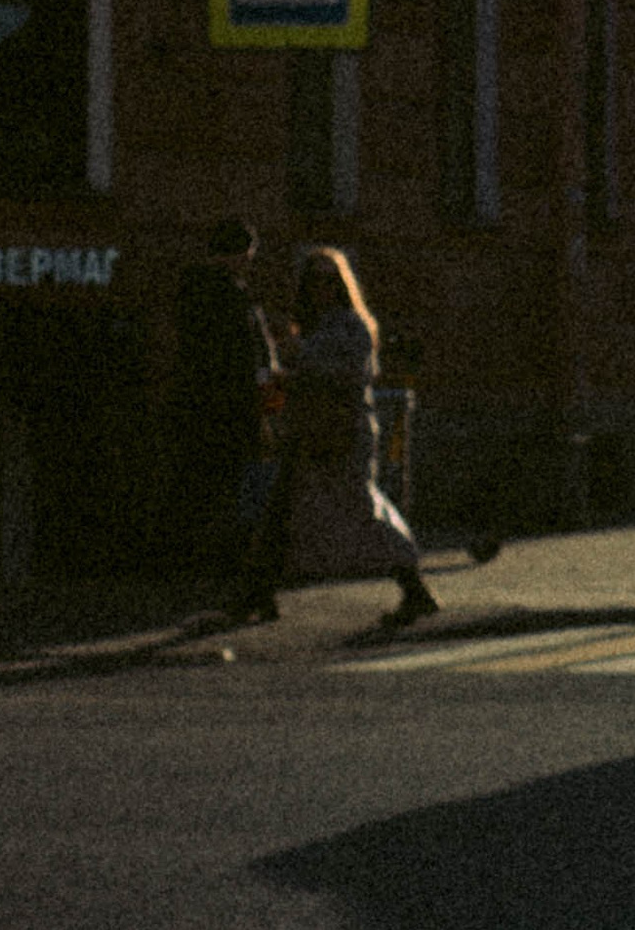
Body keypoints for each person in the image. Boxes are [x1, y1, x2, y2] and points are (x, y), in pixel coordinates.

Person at [230, 246, 438, 631]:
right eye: (313, 281)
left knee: (359, 508)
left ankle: (414, 587)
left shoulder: (350, 325)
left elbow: (349, 375)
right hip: (308, 429)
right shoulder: (312, 325)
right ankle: (255, 594)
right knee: (282, 513)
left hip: (343, 430)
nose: (320, 288)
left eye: (329, 280)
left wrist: (295, 374)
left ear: (342, 285)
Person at [165, 217, 276, 575]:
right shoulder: (231, 296)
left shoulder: (193, 290)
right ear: (240, 253)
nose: (250, 262)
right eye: (248, 255)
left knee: (201, 487)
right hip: (231, 409)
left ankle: (197, 560)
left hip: (196, 405)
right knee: (230, 488)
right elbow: (246, 359)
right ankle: (225, 565)